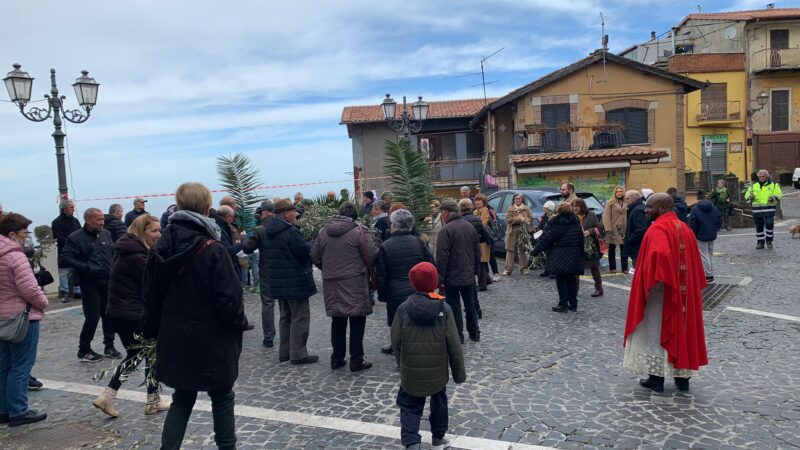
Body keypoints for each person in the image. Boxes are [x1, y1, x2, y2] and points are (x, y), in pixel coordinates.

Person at [141, 182, 249, 450]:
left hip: (175, 335)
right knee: (222, 396)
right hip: (213, 336)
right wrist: (239, 325)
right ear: (206, 209)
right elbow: (230, 299)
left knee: (182, 398)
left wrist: (152, 333)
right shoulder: (213, 248)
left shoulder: (159, 248)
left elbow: (150, 297)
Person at [623, 193, 708, 393]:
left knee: (656, 332)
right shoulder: (685, 229)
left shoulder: (657, 229)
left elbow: (659, 254)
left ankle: (656, 379)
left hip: (662, 293)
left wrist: (657, 277)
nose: (645, 210)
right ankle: (683, 379)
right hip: (684, 292)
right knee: (684, 331)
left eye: (649, 207)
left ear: (661, 208)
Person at [92, 214, 170, 418]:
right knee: (144, 354)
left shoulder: (128, 250)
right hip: (133, 315)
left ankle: (147, 400)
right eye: (154, 230)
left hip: (120, 314)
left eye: (159, 230)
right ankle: (116, 397)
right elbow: (155, 283)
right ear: (141, 232)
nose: (158, 234)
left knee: (141, 355)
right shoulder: (138, 256)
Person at [391, 262, 466, 450]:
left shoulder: (403, 309)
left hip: (411, 372)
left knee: (409, 406)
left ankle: (412, 442)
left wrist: (402, 364)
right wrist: (459, 374)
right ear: (434, 282)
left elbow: (396, 340)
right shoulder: (444, 309)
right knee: (439, 404)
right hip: (437, 371)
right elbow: (454, 346)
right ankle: (438, 438)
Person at [310, 202, 376, 372]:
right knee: (357, 320)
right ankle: (356, 360)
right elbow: (371, 255)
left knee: (337, 321)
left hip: (332, 282)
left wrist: (327, 269)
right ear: (355, 216)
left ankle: (337, 358)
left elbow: (314, 255)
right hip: (355, 281)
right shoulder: (360, 231)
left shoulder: (323, 232)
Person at [0, 213, 49, 427]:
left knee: (4, 366)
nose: (27, 236)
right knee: (21, 365)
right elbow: (29, 288)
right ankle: (19, 411)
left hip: (2, 317)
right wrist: (44, 302)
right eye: (24, 232)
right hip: (21, 317)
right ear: (12, 234)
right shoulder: (15, 255)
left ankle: (3, 410)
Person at [60, 208, 120, 362]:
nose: (101, 222)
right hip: (89, 282)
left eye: (102, 219)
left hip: (107, 281)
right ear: (88, 220)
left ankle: (109, 345)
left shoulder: (106, 234)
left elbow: (112, 252)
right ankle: (84, 349)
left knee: (109, 315)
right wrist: (86, 267)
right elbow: (65, 258)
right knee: (92, 317)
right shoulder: (75, 237)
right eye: (98, 219)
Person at [263, 198, 318, 365]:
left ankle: (284, 352)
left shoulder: (270, 230)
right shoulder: (290, 231)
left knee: (285, 316)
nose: (296, 215)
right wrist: (312, 242)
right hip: (295, 279)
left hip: (279, 280)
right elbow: (303, 251)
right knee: (300, 316)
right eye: (294, 212)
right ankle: (298, 353)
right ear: (286, 214)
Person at [375, 209, 434, 355]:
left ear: (394, 225)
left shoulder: (386, 246)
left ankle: (399, 347)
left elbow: (381, 275)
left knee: (397, 321)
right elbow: (431, 265)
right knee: (416, 318)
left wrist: (382, 294)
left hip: (395, 290)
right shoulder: (419, 243)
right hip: (417, 288)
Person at [435, 199, 481, 343]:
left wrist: (439, 278)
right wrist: (475, 271)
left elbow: (442, 257)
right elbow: (477, 252)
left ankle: (459, 336)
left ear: (446, 213)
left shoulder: (446, 230)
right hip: (468, 274)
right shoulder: (469, 227)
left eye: (442, 213)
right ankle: (474, 333)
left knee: (454, 307)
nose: (441, 216)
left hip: (452, 276)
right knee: (470, 305)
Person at [532, 203, 584, 313]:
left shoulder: (557, 223)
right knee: (571, 279)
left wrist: (534, 252)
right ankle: (573, 304)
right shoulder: (576, 222)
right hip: (574, 253)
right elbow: (581, 240)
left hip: (561, 254)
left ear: (559, 211)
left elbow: (548, 239)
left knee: (561, 279)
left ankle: (563, 304)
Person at [242, 200, 276, 348]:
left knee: (268, 304)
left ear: (266, 212)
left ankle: (269, 337)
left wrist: (243, 237)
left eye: (261, 212)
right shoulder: (286, 226)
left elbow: (248, 248)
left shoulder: (260, 230)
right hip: (284, 270)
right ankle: (290, 335)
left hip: (267, 270)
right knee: (287, 304)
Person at [573, 199, 604, 297]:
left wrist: (589, 232)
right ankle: (575, 289)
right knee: (576, 267)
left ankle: (599, 288)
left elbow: (599, 227)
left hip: (590, 245)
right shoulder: (571, 216)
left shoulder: (591, 215)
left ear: (582, 206)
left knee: (594, 266)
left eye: (577, 206)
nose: (575, 208)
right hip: (576, 245)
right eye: (573, 206)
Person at [52, 198, 81, 302]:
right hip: (64, 251)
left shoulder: (75, 221)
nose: (73, 209)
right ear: (64, 209)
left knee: (77, 270)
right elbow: (59, 237)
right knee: (64, 272)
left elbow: (81, 234)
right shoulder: (56, 222)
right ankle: (65, 293)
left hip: (77, 251)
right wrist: (73, 243)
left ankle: (78, 292)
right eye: (71, 207)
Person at [745, 169, 783, 249]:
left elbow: (779, 194)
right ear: (758, 177)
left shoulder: (773, 185)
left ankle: (769, 240)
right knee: (759, 226)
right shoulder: (753, 185)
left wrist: (773, 197)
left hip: (769, 209)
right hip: (757, 209)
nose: (761, 178)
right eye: (760, 176)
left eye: (763, 176)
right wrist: (749, 197)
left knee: (769, 224)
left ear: (766, 177)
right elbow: (747, 195)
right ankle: (760, 242)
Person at [460, 199, 492, 293]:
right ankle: (487, 280)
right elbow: (483, 231)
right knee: (481, 263)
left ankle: (482, 285)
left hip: (468, 245)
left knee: (476, 265)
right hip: (480, 242)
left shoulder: (462, 220)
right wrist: (488, 241)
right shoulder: (476, 218)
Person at [689, 191, 721, 283]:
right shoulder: (714, 208)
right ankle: (710, 274)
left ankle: (708, 275)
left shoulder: (695, 209)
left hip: (701, 235)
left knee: (704, 256)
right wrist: (715, 229)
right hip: (712, 234)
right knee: (710, 255)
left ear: (697, 198)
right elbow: (719, 220)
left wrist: (694, 233)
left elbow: (692, 223)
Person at [502, 193, 532, 276]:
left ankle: (524, 268)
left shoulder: (526, 209)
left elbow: (530, 220)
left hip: (523, 232)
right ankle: (508, 270)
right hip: (511, 232)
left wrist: (526, 221)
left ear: (522, 199)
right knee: (510, 250)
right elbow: (509, 220)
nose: (517, 200)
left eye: (519, 198)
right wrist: (519, 219)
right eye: (516, 199)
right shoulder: (510, 208)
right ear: (513, 200)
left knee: (523, 250)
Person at [473, 194, 500, 283]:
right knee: (483, 257)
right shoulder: (475, 211)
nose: (477, 202)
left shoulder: (485, 210)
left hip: (487, 236)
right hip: (480, 236)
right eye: (476, 200)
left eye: (479, 200)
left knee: (490, 256)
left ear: (484, 202)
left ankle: (496, 274)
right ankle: (487, 276)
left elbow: (484, 223)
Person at [603, 186, 628, 274]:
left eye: (621, 191)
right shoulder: (610, 203)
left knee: (624, 249)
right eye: (617, 192)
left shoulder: (626, 202)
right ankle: (612, 268)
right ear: (614, 193)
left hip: (624, 229)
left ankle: (625, 268)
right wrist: (608, 228)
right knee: (612, 249)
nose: (619, 193)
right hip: (613, 228)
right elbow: (606, 217)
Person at [623, 190, 648, 271]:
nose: (625, 201)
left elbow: (641, 228)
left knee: (638, 270)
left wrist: (629, 238)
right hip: (638, 247)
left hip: (637, 247)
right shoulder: (637, 208)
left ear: (634, 198)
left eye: (627, 199)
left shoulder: (637, 210)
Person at [535, 201, 557, 278]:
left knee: (553, 255)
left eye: (545, 208)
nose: (543, 209)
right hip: (545, 238)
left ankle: (553, 272)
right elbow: (541, 226)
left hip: (551, 239)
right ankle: (547, 270)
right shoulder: (545, 216)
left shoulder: (554, 217)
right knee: (548, 255)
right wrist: (538, 231)